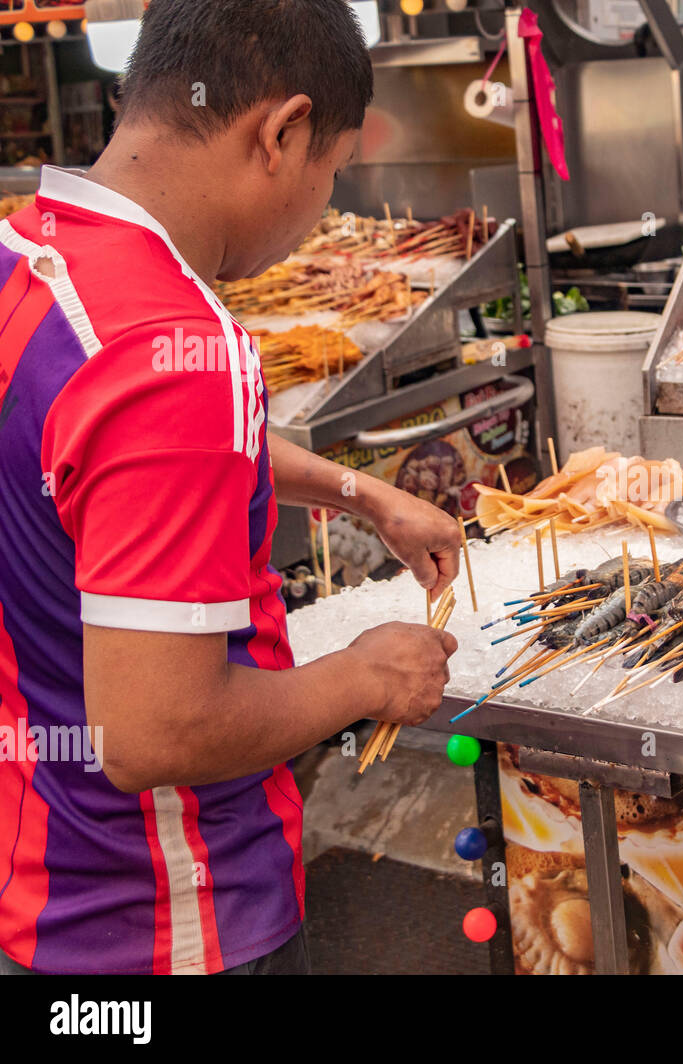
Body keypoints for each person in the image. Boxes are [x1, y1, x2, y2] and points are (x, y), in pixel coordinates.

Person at [0, 0, 460, 975]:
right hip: (165, 915)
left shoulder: (30, 256)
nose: (321, 211)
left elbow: (93, 466)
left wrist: (356, 491)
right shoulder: (172, 352)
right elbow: (154, 728)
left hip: (36, 879)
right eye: (330, 172)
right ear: (282, 131)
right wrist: (369, 675)